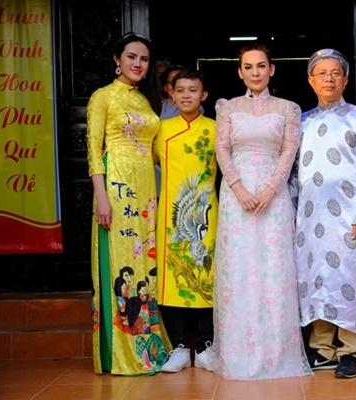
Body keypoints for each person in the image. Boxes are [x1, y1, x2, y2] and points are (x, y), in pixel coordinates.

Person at [213, 43, 311, 380]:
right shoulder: (227, 107)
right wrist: (239, 188)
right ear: (240, 72)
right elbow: (222, 149)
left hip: (275, 197)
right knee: (239, 269)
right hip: (236, 196)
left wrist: (270, 190)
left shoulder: (288, 108)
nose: (255, 72)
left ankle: (276, 353)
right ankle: (237, 353)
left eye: (261, 66)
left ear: (272, 69)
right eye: (248, 67)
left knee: (273, 269)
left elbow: (289, 151)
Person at [295, 48, 356, 379]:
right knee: (315, 277)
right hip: (310, 217)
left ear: (345, 80)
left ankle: (350, 350)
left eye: (335, 73)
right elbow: (292, 173)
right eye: (322, 73)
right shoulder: (302, 121)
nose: (329, 79)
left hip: (348, 216)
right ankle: (321, 348)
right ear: (310, 81)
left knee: (348, 278)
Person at [87, 32, 168, 375]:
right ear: (117, 60)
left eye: (144, 59)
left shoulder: (146, 101)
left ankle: (149, 346)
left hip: (146, 190)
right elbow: (94, 150)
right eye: (131, 57)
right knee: (122, 266)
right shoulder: (103, 96)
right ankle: (121, 352)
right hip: (117, 190)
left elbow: (157, 150)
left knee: (145, 263)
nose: (138, 63)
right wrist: (101, 197)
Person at [154, 69, 218, 373]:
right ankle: (178, 346)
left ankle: (206, 345)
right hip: (170, 215)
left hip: (206, 214)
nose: (186, 95)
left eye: (193, 90)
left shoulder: (216, 128)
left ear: (203, 95)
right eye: (180, 90)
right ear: (171, 94)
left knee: (207, 275)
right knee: (172, 277)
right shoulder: (160, 129)